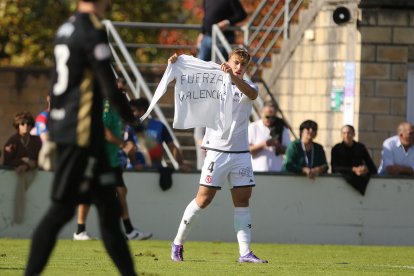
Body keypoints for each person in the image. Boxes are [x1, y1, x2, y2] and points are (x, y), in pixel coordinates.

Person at [25, 1, 138, 275]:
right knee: (61, 211)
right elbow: (108, 84)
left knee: (110, 214)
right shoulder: (92, 29)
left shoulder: (65, 27)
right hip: (80, 134)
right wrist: (134, 121)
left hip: (80, 133)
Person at [170, 48, 268, 263]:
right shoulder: (214, 82)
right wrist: (176, 65)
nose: (239, 67)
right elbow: (188, 84)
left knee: (243, 200)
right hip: (217, 151)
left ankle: (245, 252)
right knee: (203, 200)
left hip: (241, 152)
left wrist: (232, 77)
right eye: (236, 63)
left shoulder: (249, 86)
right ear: (228, 61)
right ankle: (177, 242)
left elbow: (252, 95)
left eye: (243, 65)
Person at [74, 82, 152, 241]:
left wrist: (133, 153)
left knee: (121, 191)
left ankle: (129, 231)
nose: (123, 93)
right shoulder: (106, 106)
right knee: (89, 192)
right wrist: (123, 145)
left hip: (111, 159)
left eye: (124, 90)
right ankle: (80, 231)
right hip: (97, 157)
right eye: (120, 90)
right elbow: (103, 131)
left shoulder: (118, 108)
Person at [3, 111, 42, 224]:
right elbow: (7, 162)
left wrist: (27, 165)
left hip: (34, 174)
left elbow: (40, 160)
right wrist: (23, 161)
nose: (26, 126)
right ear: (17, 126)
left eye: (29, 124)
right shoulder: (11, 142)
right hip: (17, 176)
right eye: (23, 124)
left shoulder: (36, 140)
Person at [331, 125, 377, 195]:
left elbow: (372, 167)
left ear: (354, 134)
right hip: (341, 184)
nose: (346, 135)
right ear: (341, 135)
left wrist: (364, 170)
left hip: (361, 180)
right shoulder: (336, 149)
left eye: (349, 133)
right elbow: (335, 168)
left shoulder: (360, 147)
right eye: (344, 133)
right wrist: (353, 169)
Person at [248, 101, 290, 172]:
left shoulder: (283, 128)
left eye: (273, 117)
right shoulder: (253, 127)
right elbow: (248, 151)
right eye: (267, 116)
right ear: (262, 113)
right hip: (257, 171)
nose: (270, 119)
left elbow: (288, 151)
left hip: (277, 171)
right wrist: (265, 144)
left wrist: (278, 145)